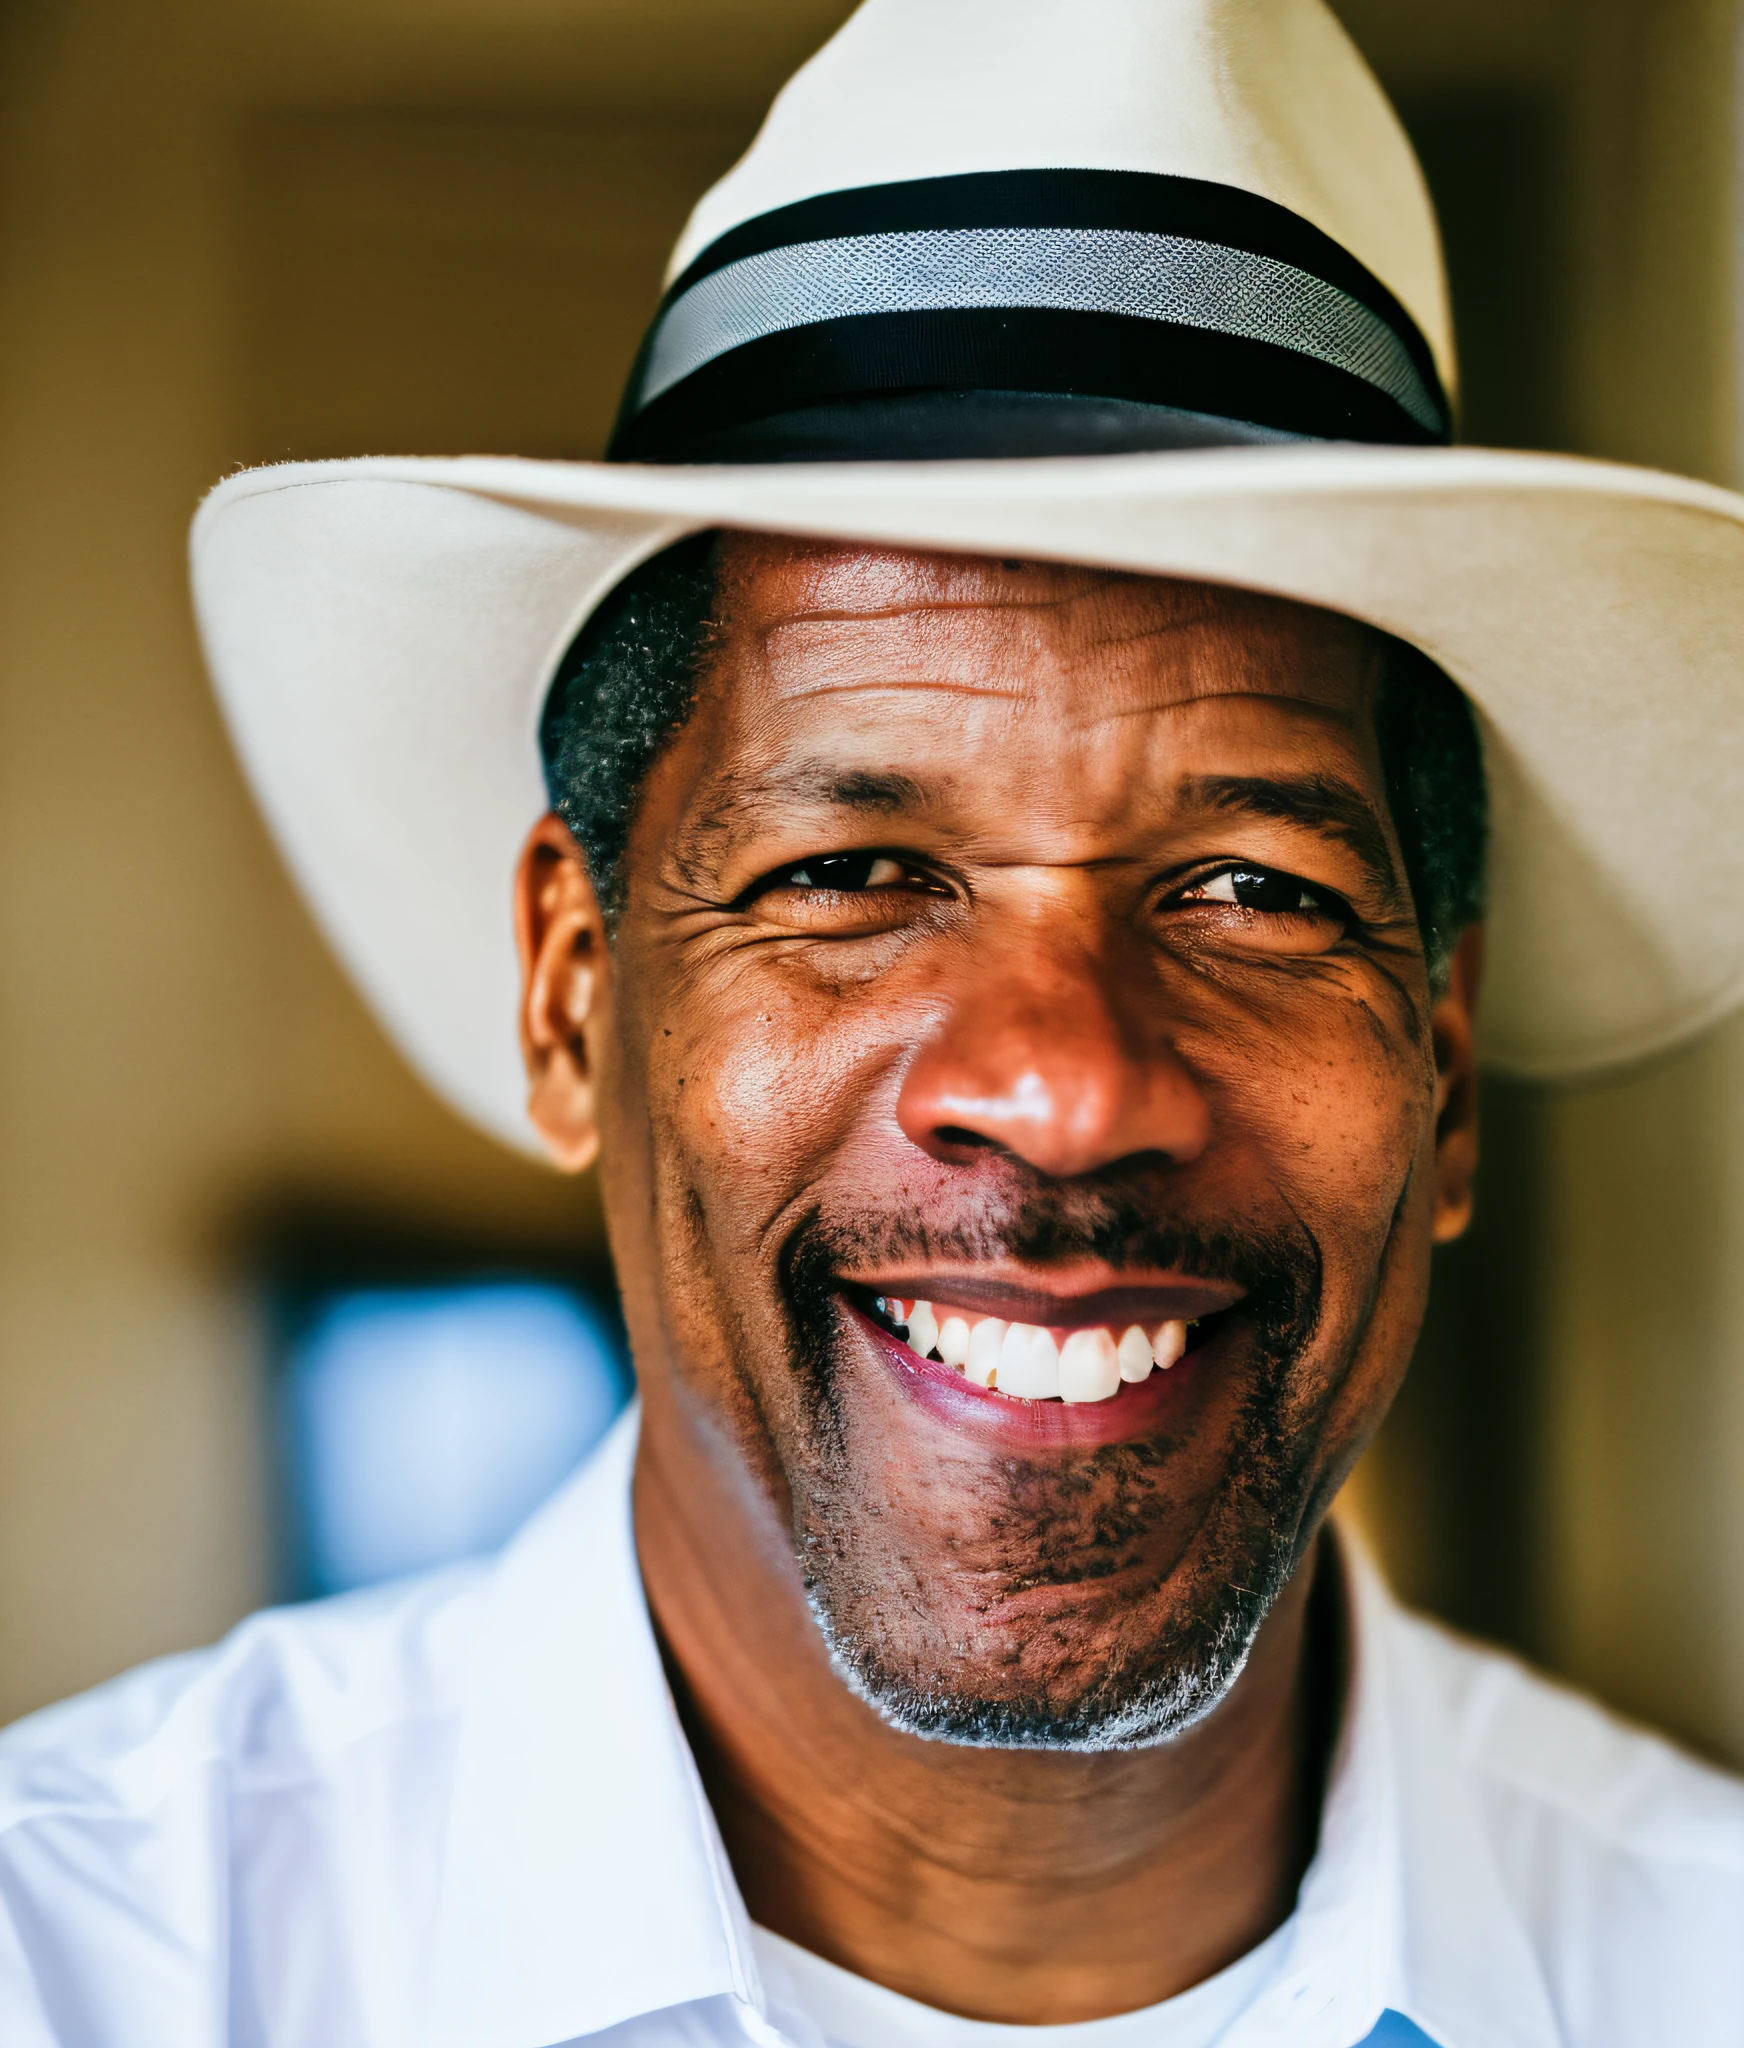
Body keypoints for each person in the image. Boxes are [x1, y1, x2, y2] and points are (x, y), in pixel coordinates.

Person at [6, 1, 1744, 2043]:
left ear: (1440, 1074)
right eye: (848, 878)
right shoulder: (86, 1964)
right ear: (574, 998)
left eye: (1254, 893)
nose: (1064, 1085)